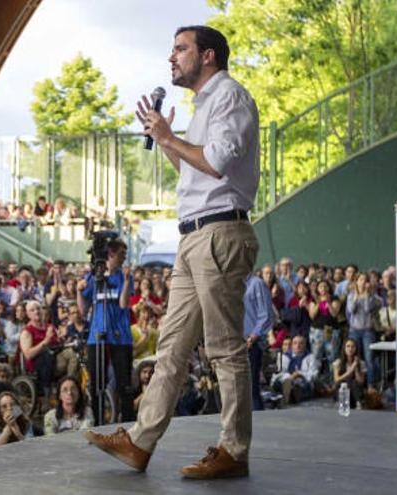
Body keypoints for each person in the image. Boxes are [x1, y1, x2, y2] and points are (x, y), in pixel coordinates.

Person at [85, 25, 259, 479]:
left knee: (223, 349)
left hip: (220, 231)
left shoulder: (229, 97)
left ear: (208, 56)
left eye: (180, 49)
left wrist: (170, 135)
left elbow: (217, 162)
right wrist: (165, 138)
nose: (171, 57)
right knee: (171, 348)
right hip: (193, 237)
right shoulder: (202, 107)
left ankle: (234, 450)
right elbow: (194, 167)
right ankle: (140, 443)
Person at [77, 237, 134, 424]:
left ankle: (127, 422)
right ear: (110, 254)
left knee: (124, 384)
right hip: (96, 336)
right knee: (96, 385)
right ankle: (99, 422)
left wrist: (126, 282)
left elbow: (124, 304)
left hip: (120, 337)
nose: (124, 258)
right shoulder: (94, 276)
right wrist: (79, 291)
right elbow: (83, 310)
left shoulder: (124, 277)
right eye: (121, 254)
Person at [243, 272, 275, 411]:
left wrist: (253, 336)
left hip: (251, 344)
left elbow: (266, 315)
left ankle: (259, 423)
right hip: (234, 343)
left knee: (251, 389)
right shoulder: (232, 283)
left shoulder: (257, 284)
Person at [270, 335, 319, 405]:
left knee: (303, 386)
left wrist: (299, 374)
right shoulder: (284, 356)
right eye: (295, 343)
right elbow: (279, 373)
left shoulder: (310, 357)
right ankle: (290, 394)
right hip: (285, 380)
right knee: (284, 382)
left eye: (301, 343)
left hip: (302, 382)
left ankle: (292, 394)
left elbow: (314, 374)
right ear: (292, 345)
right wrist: (291, 377)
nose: (298, 346)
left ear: (305, 345)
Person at [332, 338, 366, 408]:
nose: (350, 349)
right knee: (342, 383)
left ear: (356, 349)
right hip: (342, 391)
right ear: (344, 348)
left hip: (354, 392)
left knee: (354, 382)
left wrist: (356, 367)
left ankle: (358, 403)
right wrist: (350, 371)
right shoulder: (338, 362)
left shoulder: (361, 363)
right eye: (348, 346)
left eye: (353, 346)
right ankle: (339, 402)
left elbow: (361, 381)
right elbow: (336, 379)